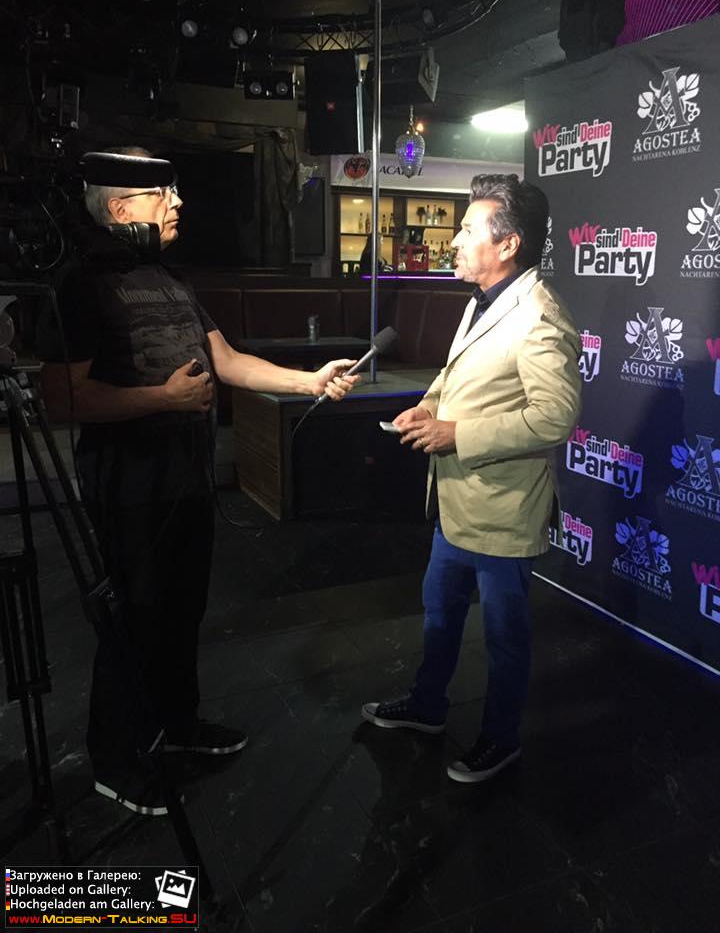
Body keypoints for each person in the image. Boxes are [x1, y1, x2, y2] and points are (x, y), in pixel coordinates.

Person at [38, 147, 360, 816]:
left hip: (186, 481)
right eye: (164, 194)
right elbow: (62, 399)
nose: (178, 203)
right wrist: (162, 399)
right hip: (128, 488)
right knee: (132, 621)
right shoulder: (79, 286)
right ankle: (117, 762)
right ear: (120, 208)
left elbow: (228, 361)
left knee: (181, 612)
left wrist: (309, 381)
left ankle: (176, 727)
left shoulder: (168, 276)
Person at [361, 174, 582, 784]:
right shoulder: (480, 298)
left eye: (466, 230)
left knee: (505, 638)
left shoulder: (540, 317)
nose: (453, 241)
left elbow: (555, 417)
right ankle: (428, 707)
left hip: (504, 512)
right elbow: (456, 375)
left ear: (507, 245)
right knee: (439, 613)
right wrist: (429, 405)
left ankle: (501, 740)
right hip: (455, 503)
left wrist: (458, 434)